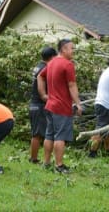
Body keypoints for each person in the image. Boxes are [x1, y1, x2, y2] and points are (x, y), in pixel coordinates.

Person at [41, 38, 82, 173]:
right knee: (60, 136)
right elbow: (72, 85)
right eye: (72, 48)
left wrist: (44, 95)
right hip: (61, 106)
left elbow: (40, 76)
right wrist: (78, 103)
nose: (73, 51)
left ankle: (46, 163)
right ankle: (59, 166)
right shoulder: (67, 64)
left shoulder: (51, 63)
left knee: (49, 135)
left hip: (50, 105)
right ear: (64, 49)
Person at [29, 46, 58, 163]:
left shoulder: (38, 66)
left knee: (37, 133)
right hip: (39, 104)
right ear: (52, 57)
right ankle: (34, 159)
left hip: (34, 104)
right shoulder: (45, 69)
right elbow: (44, 91)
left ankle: (34, 158)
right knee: (37, 134)